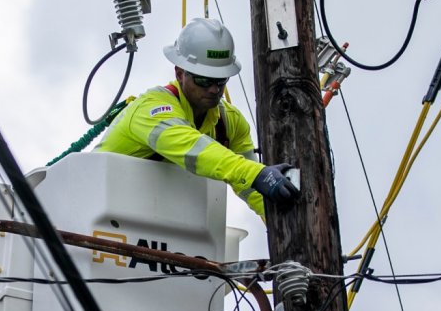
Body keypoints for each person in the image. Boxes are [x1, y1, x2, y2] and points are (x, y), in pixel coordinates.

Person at [96, 18, 298, 219]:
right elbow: (194, 149)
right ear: (179, 73)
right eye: (203, 80)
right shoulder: (152, 108)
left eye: (221, 81)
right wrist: (256, 174)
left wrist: (287, 223)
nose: (213, 89)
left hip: (159, 227)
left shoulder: (231, 123)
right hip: (98, 218)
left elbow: (253, 190)